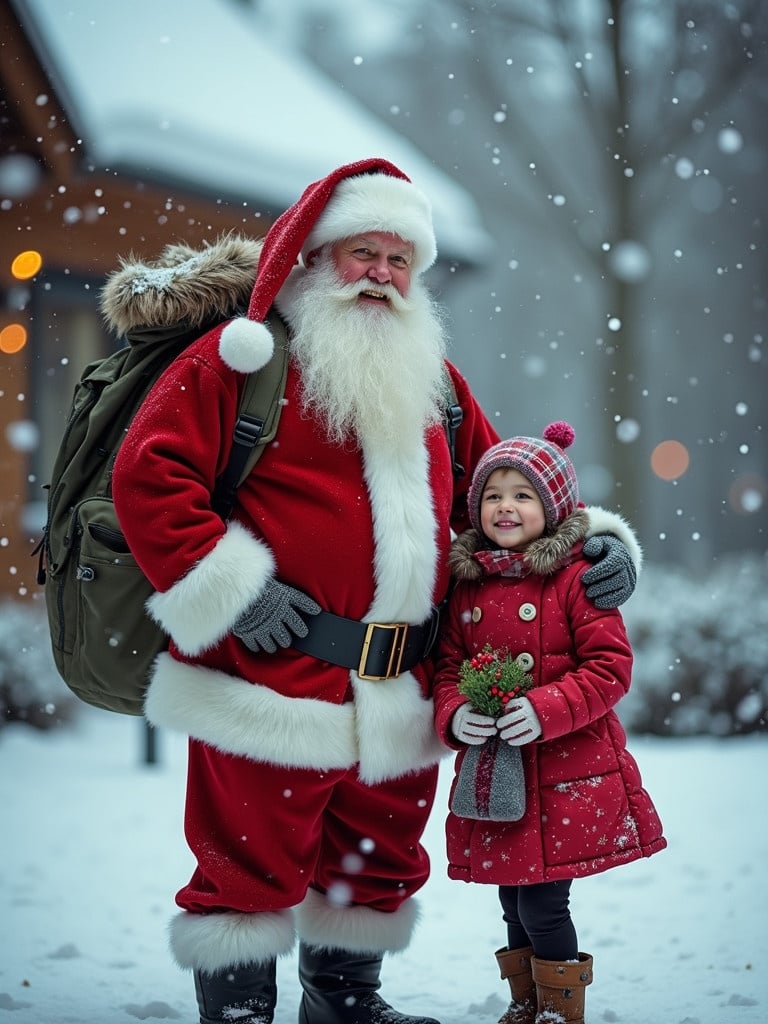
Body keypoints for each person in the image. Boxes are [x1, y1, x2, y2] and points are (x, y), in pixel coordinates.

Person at [111, 159, 641, 1024]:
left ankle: (347, 1004)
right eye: (365, 253)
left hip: (403, 680)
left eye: (401, 262)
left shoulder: (432, 378)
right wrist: (234, 591)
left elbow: (508, 494)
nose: (383, 276)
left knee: (373, 858)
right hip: (271, 672)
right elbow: (150, 476)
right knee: (247, 862)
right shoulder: (240, 361)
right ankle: (240, 1012)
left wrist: (595, 547)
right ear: (317, 258)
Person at [433, 422, 666, 1024]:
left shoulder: (575, 580)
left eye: (522, 495)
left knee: (542, 903)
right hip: (500, 772)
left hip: (566, 767)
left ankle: (560, 1011)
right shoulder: (468, 586)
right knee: (512, 901)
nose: (505, 507)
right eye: (492, 495)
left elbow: (610, 669)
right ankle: (525, 1005)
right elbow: (449, 668)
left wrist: (544, 709)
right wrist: (457, 715)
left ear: (554, 506)